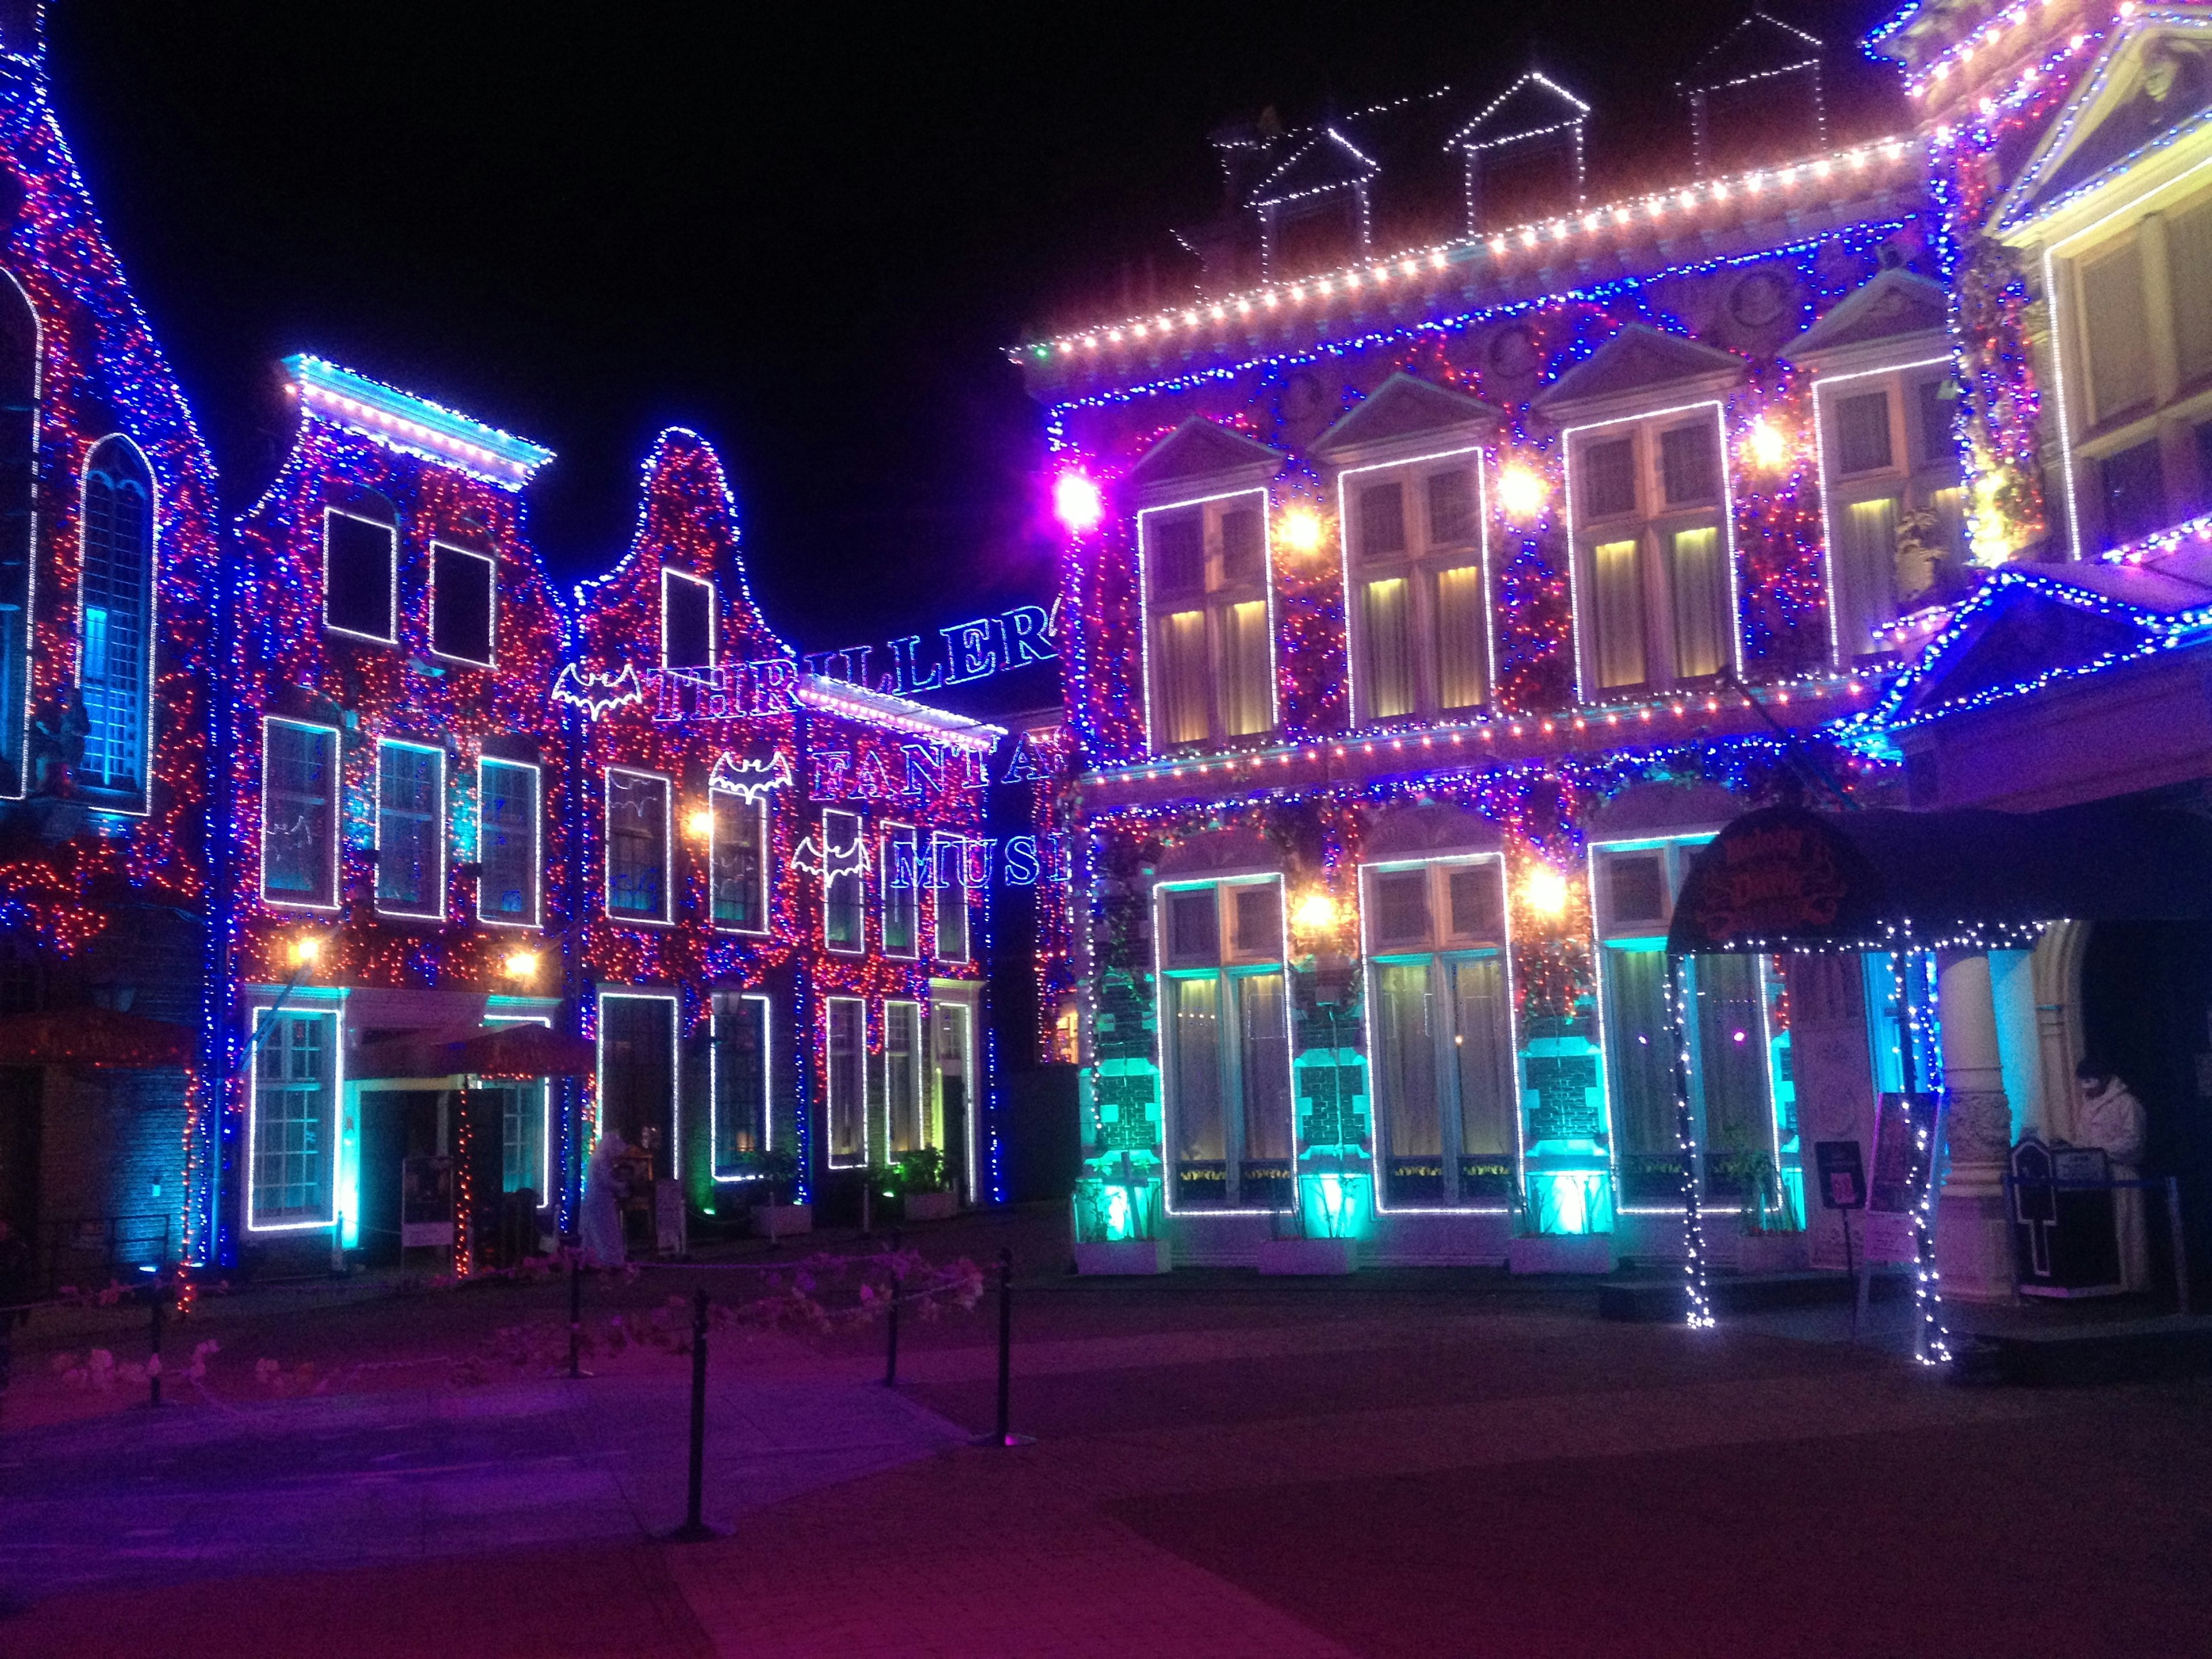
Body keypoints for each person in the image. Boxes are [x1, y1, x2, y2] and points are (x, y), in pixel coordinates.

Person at [2076, 1058, 2150, 1292]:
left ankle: (2132, 1281)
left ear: (2105, 1078)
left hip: (2121, 1173)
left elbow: (2134, 1141)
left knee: (2126, 1226)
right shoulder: (2087, 1106)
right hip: (2095, 1176)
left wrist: (2100, 1151)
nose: (2087, 1086)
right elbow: (2085, 1140)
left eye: (2091, 1080)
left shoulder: (2127, 1104)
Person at [578, 1130, 628, 1268]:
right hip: (600, 1201)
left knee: (593, 1231)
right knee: (605, 1230)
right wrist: (623, 1186)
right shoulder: (601, 1160)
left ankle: (591, 1260)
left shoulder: (598, 1158)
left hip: (596, 1199)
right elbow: (606, 1181)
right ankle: (607, 1259)